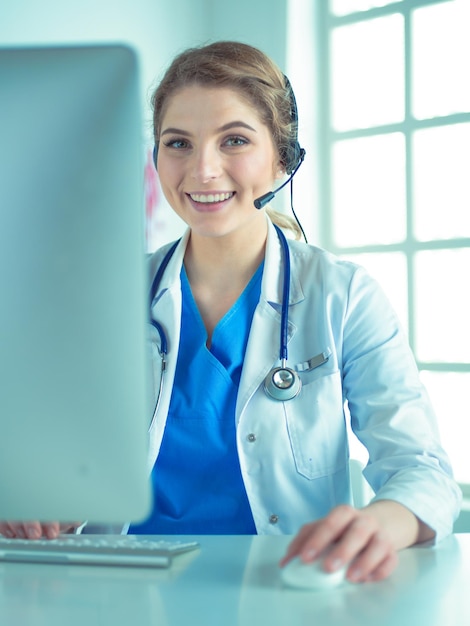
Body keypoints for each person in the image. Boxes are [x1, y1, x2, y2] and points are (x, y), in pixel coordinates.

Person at [0, 41, 461, 584]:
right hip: (117, 587)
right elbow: (45, 459)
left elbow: (422, 469)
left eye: (234, 140)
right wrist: (31, 500)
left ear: (282, 158)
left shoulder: (343, 295)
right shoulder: (104, 294)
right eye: (178, 143)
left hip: (283, 590)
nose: (203, 169)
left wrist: (384, 522)